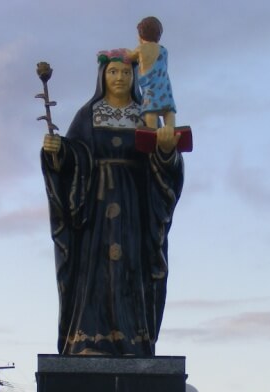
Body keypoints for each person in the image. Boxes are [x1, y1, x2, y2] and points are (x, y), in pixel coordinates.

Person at [41, 46, 184, 356]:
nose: (120, 77)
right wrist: (57, 151)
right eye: (113, 72)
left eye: (126, 72)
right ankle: (88, 341)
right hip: (95, 209)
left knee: (132, 271)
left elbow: (164, 163)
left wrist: (165, 148)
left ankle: (132, 341)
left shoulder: (145, 116)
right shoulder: (89, 115)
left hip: (134, 209)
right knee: (94, 274)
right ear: (102, 76)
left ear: (134, 77)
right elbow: (73, 156)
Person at [130, 16, 176, 129]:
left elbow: (130, 57)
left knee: (150, 110)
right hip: (164, 87)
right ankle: (171, 127)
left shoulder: (140, 49)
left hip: (150, 88)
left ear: (140, 35)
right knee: (168, 110)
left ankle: (152, 130)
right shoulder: (164, 50)